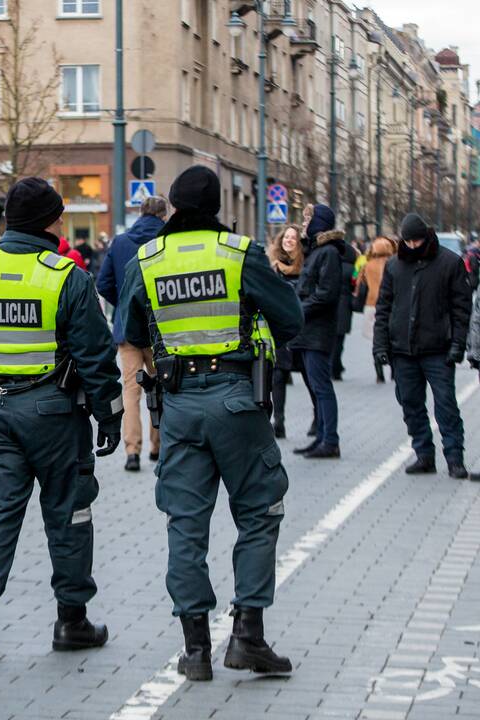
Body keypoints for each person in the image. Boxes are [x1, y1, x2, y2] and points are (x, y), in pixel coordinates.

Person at [119, 166, 303, 681]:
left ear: (173, 206)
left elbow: (129, 329)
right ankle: (247, 634)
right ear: (218, 205)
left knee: (186, 524)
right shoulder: (238, 253)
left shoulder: (148, 257)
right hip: (235, 397)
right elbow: (291, 318)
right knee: (260, 512)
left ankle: (195, 648)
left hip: (178, 405)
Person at [0, 177, 125, 665]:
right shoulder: (65, 276)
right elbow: (95, 356)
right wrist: (109, 415)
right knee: (69, 512)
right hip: (54, 414)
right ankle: (71, 620)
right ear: (50, 221)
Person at [374, 213, 471, 479]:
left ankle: (454, 458)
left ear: (426, 237)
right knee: (410, 403)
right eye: (408, 241)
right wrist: (380, 345)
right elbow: (383, 308)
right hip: (403, 349)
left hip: (438, 349)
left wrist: (457, 345)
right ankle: (424, 455)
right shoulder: (395, 266)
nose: (413, 246)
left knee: (446, 405)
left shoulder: (449, 263)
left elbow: (461, 308)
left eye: (417, 240)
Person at [96, 195, 167, 471]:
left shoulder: (121, 242)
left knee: (131, 389)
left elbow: (104, 283)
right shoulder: (165, 241)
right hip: (158, 327)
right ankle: (157, 446)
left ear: (140, 213)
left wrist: (124, 305)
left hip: (126, 329)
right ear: (163, 215)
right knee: (160, 386)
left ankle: (131, 451)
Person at [290, 204, 345, 459]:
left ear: (319, 222)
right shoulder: (316, 251)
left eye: (308, 218)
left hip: (318, 331)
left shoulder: (328, 253)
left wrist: (298, 309)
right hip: (308, 331)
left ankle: (330, 440)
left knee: (321, 387)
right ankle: (321, 437)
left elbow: (326, 294)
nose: (304, 223)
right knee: (315, 385)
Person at [266, 225, 306, 438]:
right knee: (278, 376)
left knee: (309, 377)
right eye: (286, 237)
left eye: (294, 238)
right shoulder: (273, 267)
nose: (289, 240)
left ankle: (319, 419)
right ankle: (278, 421)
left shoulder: (305, 265)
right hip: (280, 329)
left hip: (303, 328)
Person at [354, 237, 395, 384]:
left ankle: (379, 373)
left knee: (376, 340)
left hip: (371, 304)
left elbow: (358, 284)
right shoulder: (393, 264)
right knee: (391, 338)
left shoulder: (367, 265)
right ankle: (394, 372)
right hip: (390, 305)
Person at [330, 236, 359, 380]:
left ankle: (332, 365)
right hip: (345, 305)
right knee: (340, 340)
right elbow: (355, 284)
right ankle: (336, 366)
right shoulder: (352, 269)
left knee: (330, 339)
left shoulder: (331, 265)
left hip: (330, 304)